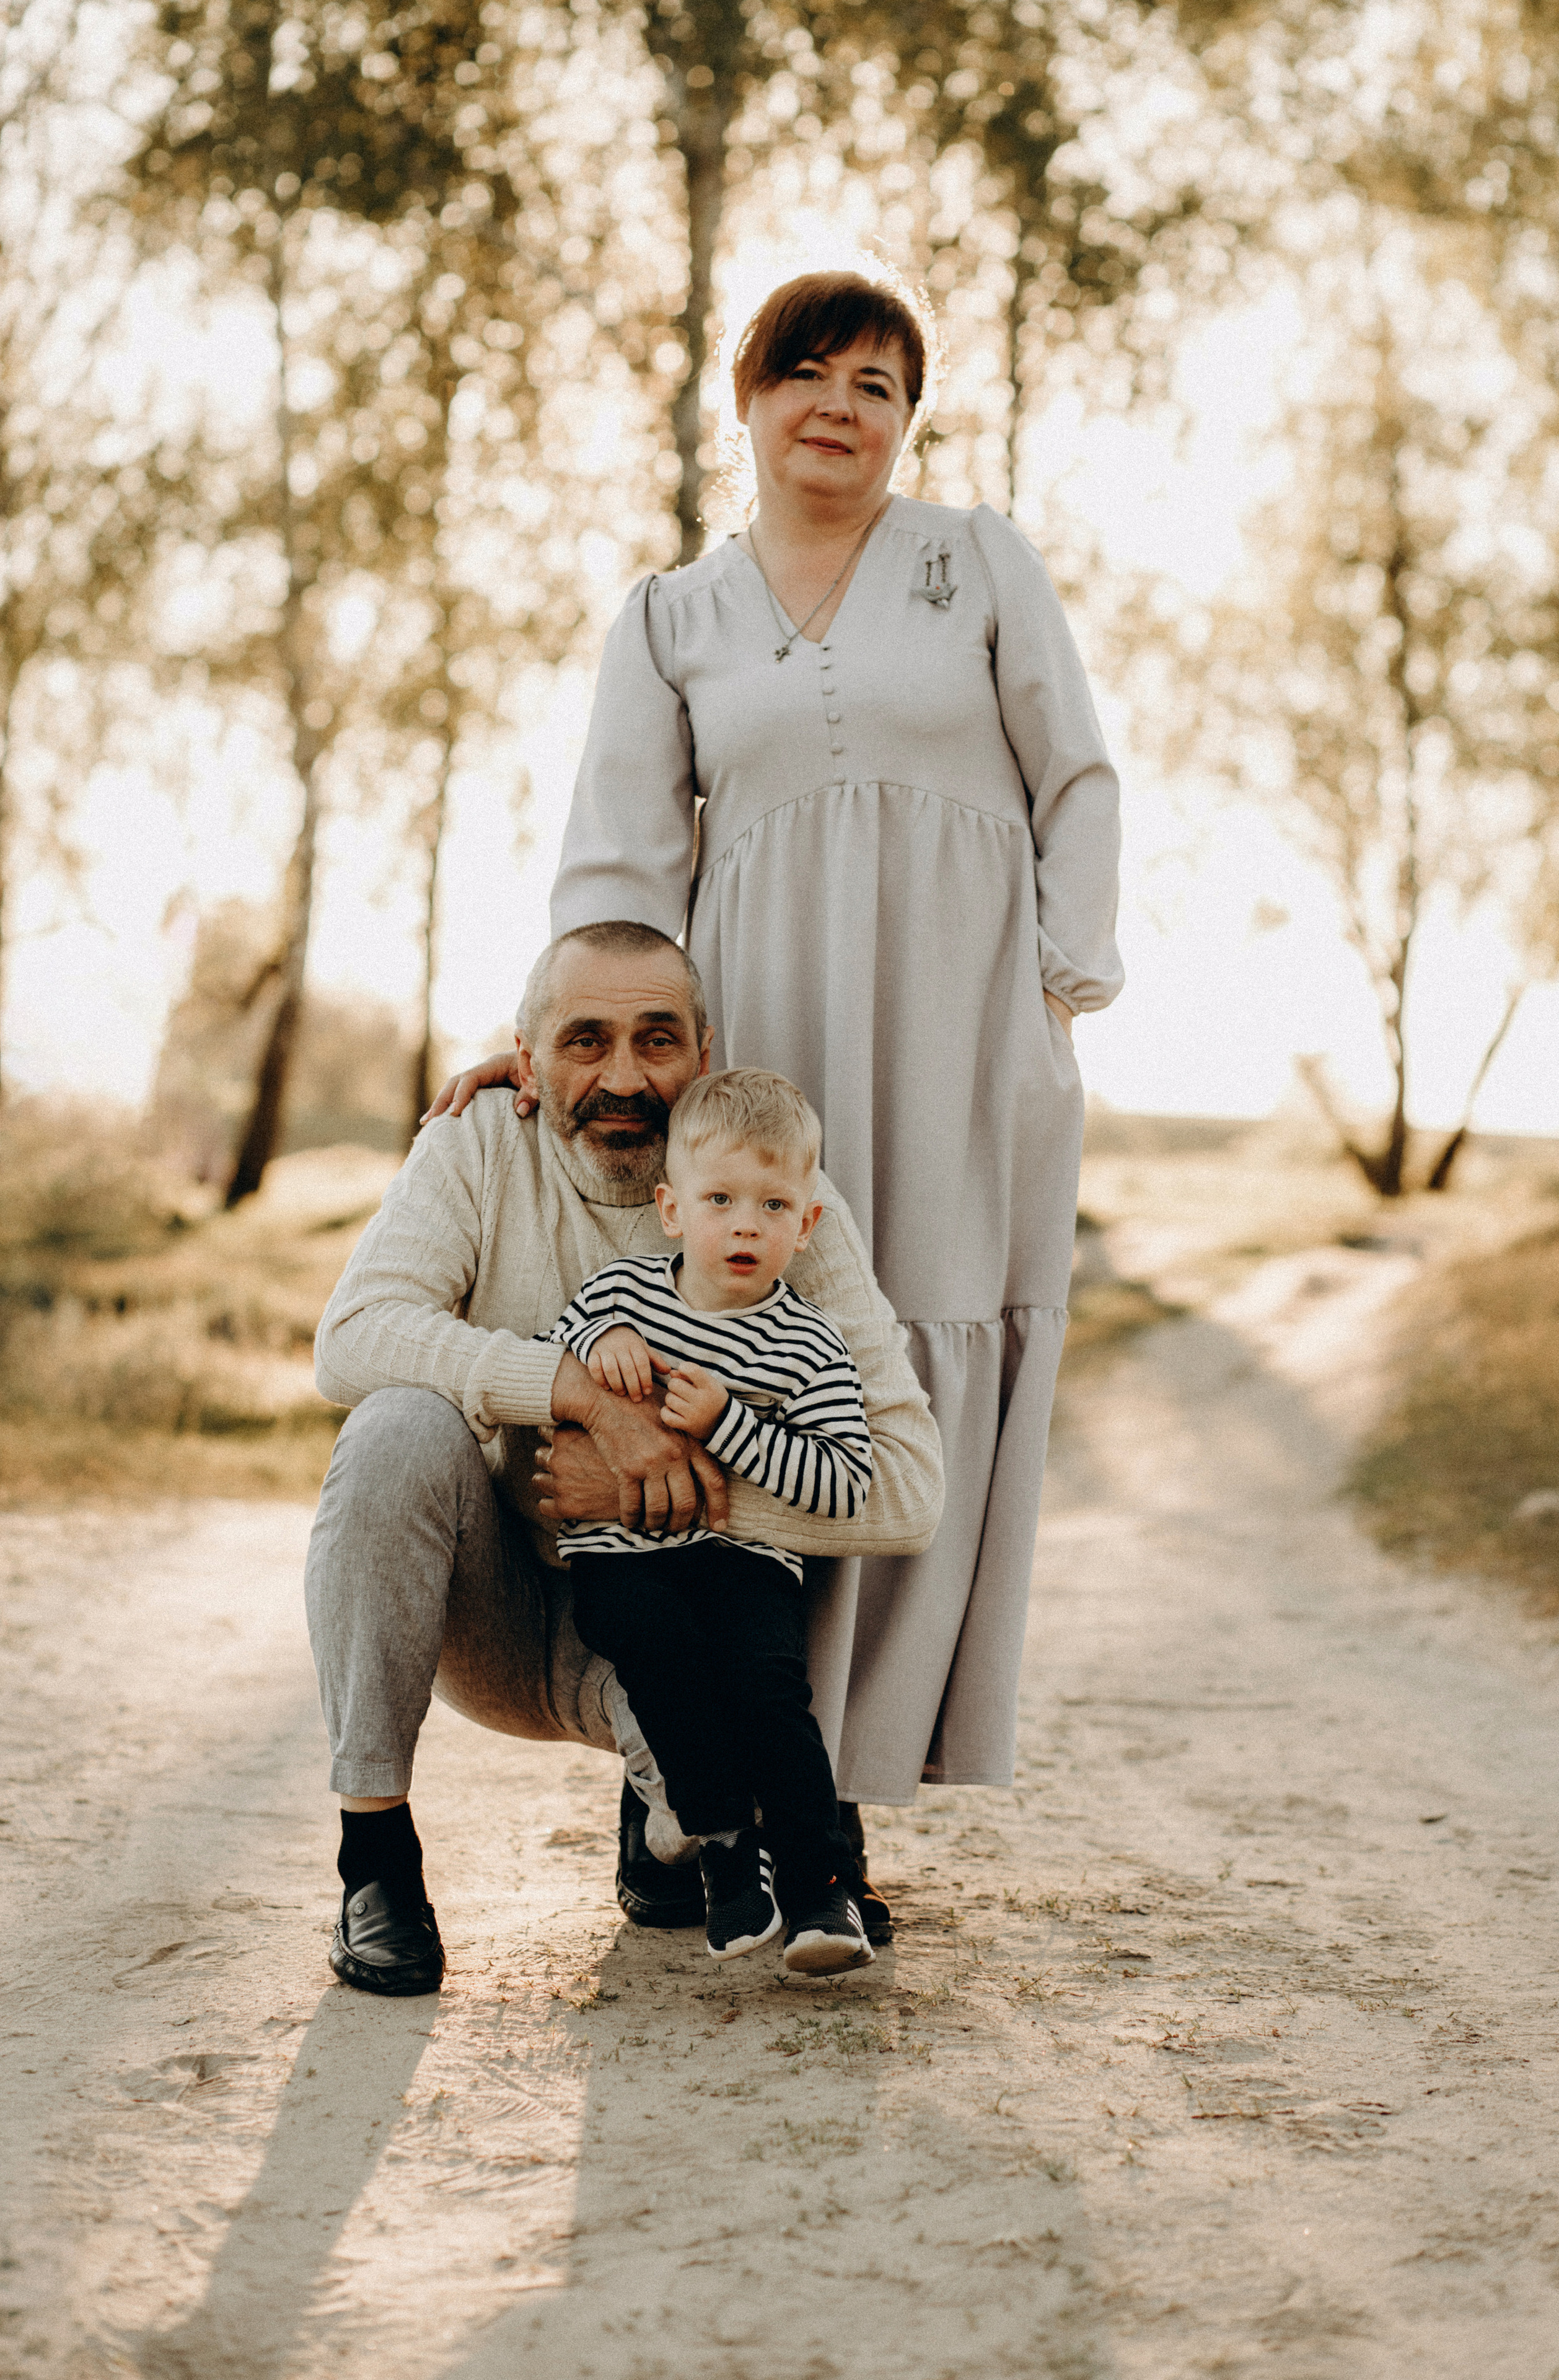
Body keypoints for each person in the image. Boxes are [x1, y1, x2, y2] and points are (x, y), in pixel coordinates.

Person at [428, 268, 1123, 1866]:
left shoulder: (977, 564)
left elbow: (1076, 778)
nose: (839, 407)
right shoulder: (671, 618)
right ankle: (682, 1778)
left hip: (964, 1035)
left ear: (906, 422)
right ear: (746, 401)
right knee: (728, 1362)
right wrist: (544, 1041)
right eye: (806, 373)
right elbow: (613, 871)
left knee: (888, 1382)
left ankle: (839, 1781)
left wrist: (1055, 994)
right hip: (751, 1061)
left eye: (877, 386)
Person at [308, 920, 941, 1996]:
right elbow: (353, 1335)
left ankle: (672, 1828)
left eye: (657, 1041)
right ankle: (376, 1863)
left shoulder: (774, 1204)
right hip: (502, 1610)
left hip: (693, 1626)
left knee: (723, 1811)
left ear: (702, 1049)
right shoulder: (475, 1147)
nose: (622, 1077)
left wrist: (678, 1491)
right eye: (584, 1041)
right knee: (393, 1427)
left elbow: (909, 1489)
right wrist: (581, 1401)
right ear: (527, 1055)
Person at [553, 1067, 874, 1974]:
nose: (744, 1223)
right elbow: (542, 1376)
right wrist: (588, 1349)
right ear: (671, 1209)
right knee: (649, 1641)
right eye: (721, 1199)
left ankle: (821, 1892)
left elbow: (845, 1482)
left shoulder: (810, 1345)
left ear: (806, 1223)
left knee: (768, 1687)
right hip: (624, 1555)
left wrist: (729, 1426)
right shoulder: (618, 1297)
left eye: (774, 1204)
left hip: (746, 1558)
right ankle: (729, 1852)